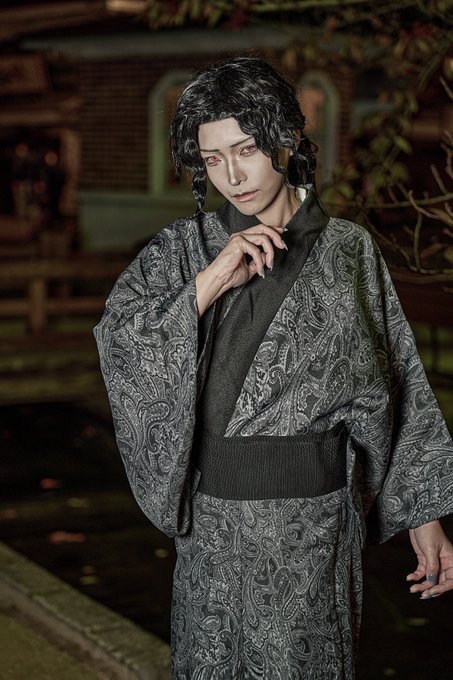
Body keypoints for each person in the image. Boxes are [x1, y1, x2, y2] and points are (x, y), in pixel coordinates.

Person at [94, 57, 453, 679]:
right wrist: (211, 281)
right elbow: (120, 341)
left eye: (247, 150)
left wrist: (424, 512)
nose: (233, 176)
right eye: (213, 159)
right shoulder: (183, 249)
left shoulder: (349, 250)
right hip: (212, 524)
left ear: (286, 137)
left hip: (314, 527)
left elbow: (398, 380)